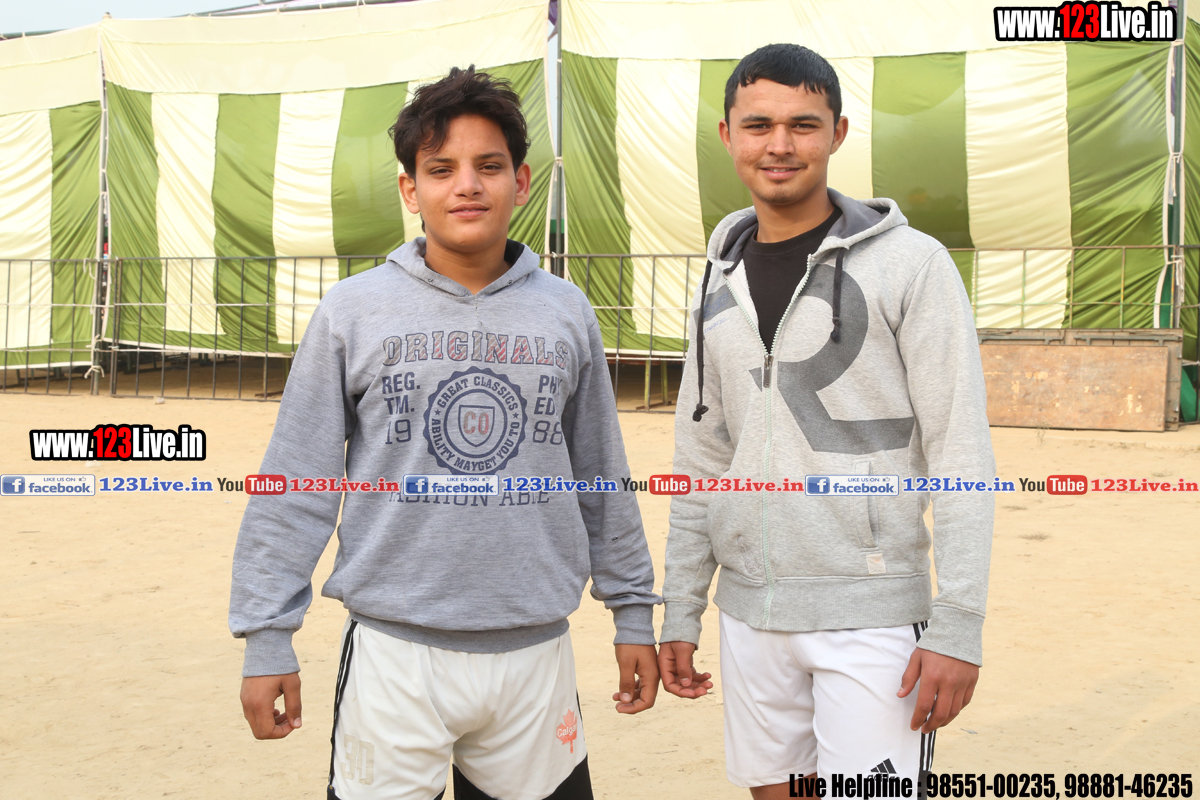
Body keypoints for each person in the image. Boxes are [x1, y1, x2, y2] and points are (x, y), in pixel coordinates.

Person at [230, 66, 660, 800]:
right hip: (395, 655)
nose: (467, 185)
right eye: (441, 169)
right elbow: (297, 482)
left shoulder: (566, 312)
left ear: (521, 182)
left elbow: (600, 474)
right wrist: (267, 635)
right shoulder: (352, 311)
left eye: (489, 166)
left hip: (534, 655)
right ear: (410, 189)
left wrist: (633, 614)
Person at [657, 44, 995, 798]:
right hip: (749, 609)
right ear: (728, 135)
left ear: (838, 132)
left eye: (803, 125)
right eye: (759, 125)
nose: (779, 145)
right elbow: (702, 457)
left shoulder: (913, 264)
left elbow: (961, 451)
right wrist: (681, 608)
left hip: (871, 611)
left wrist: (959, 622)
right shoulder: (718, 276)